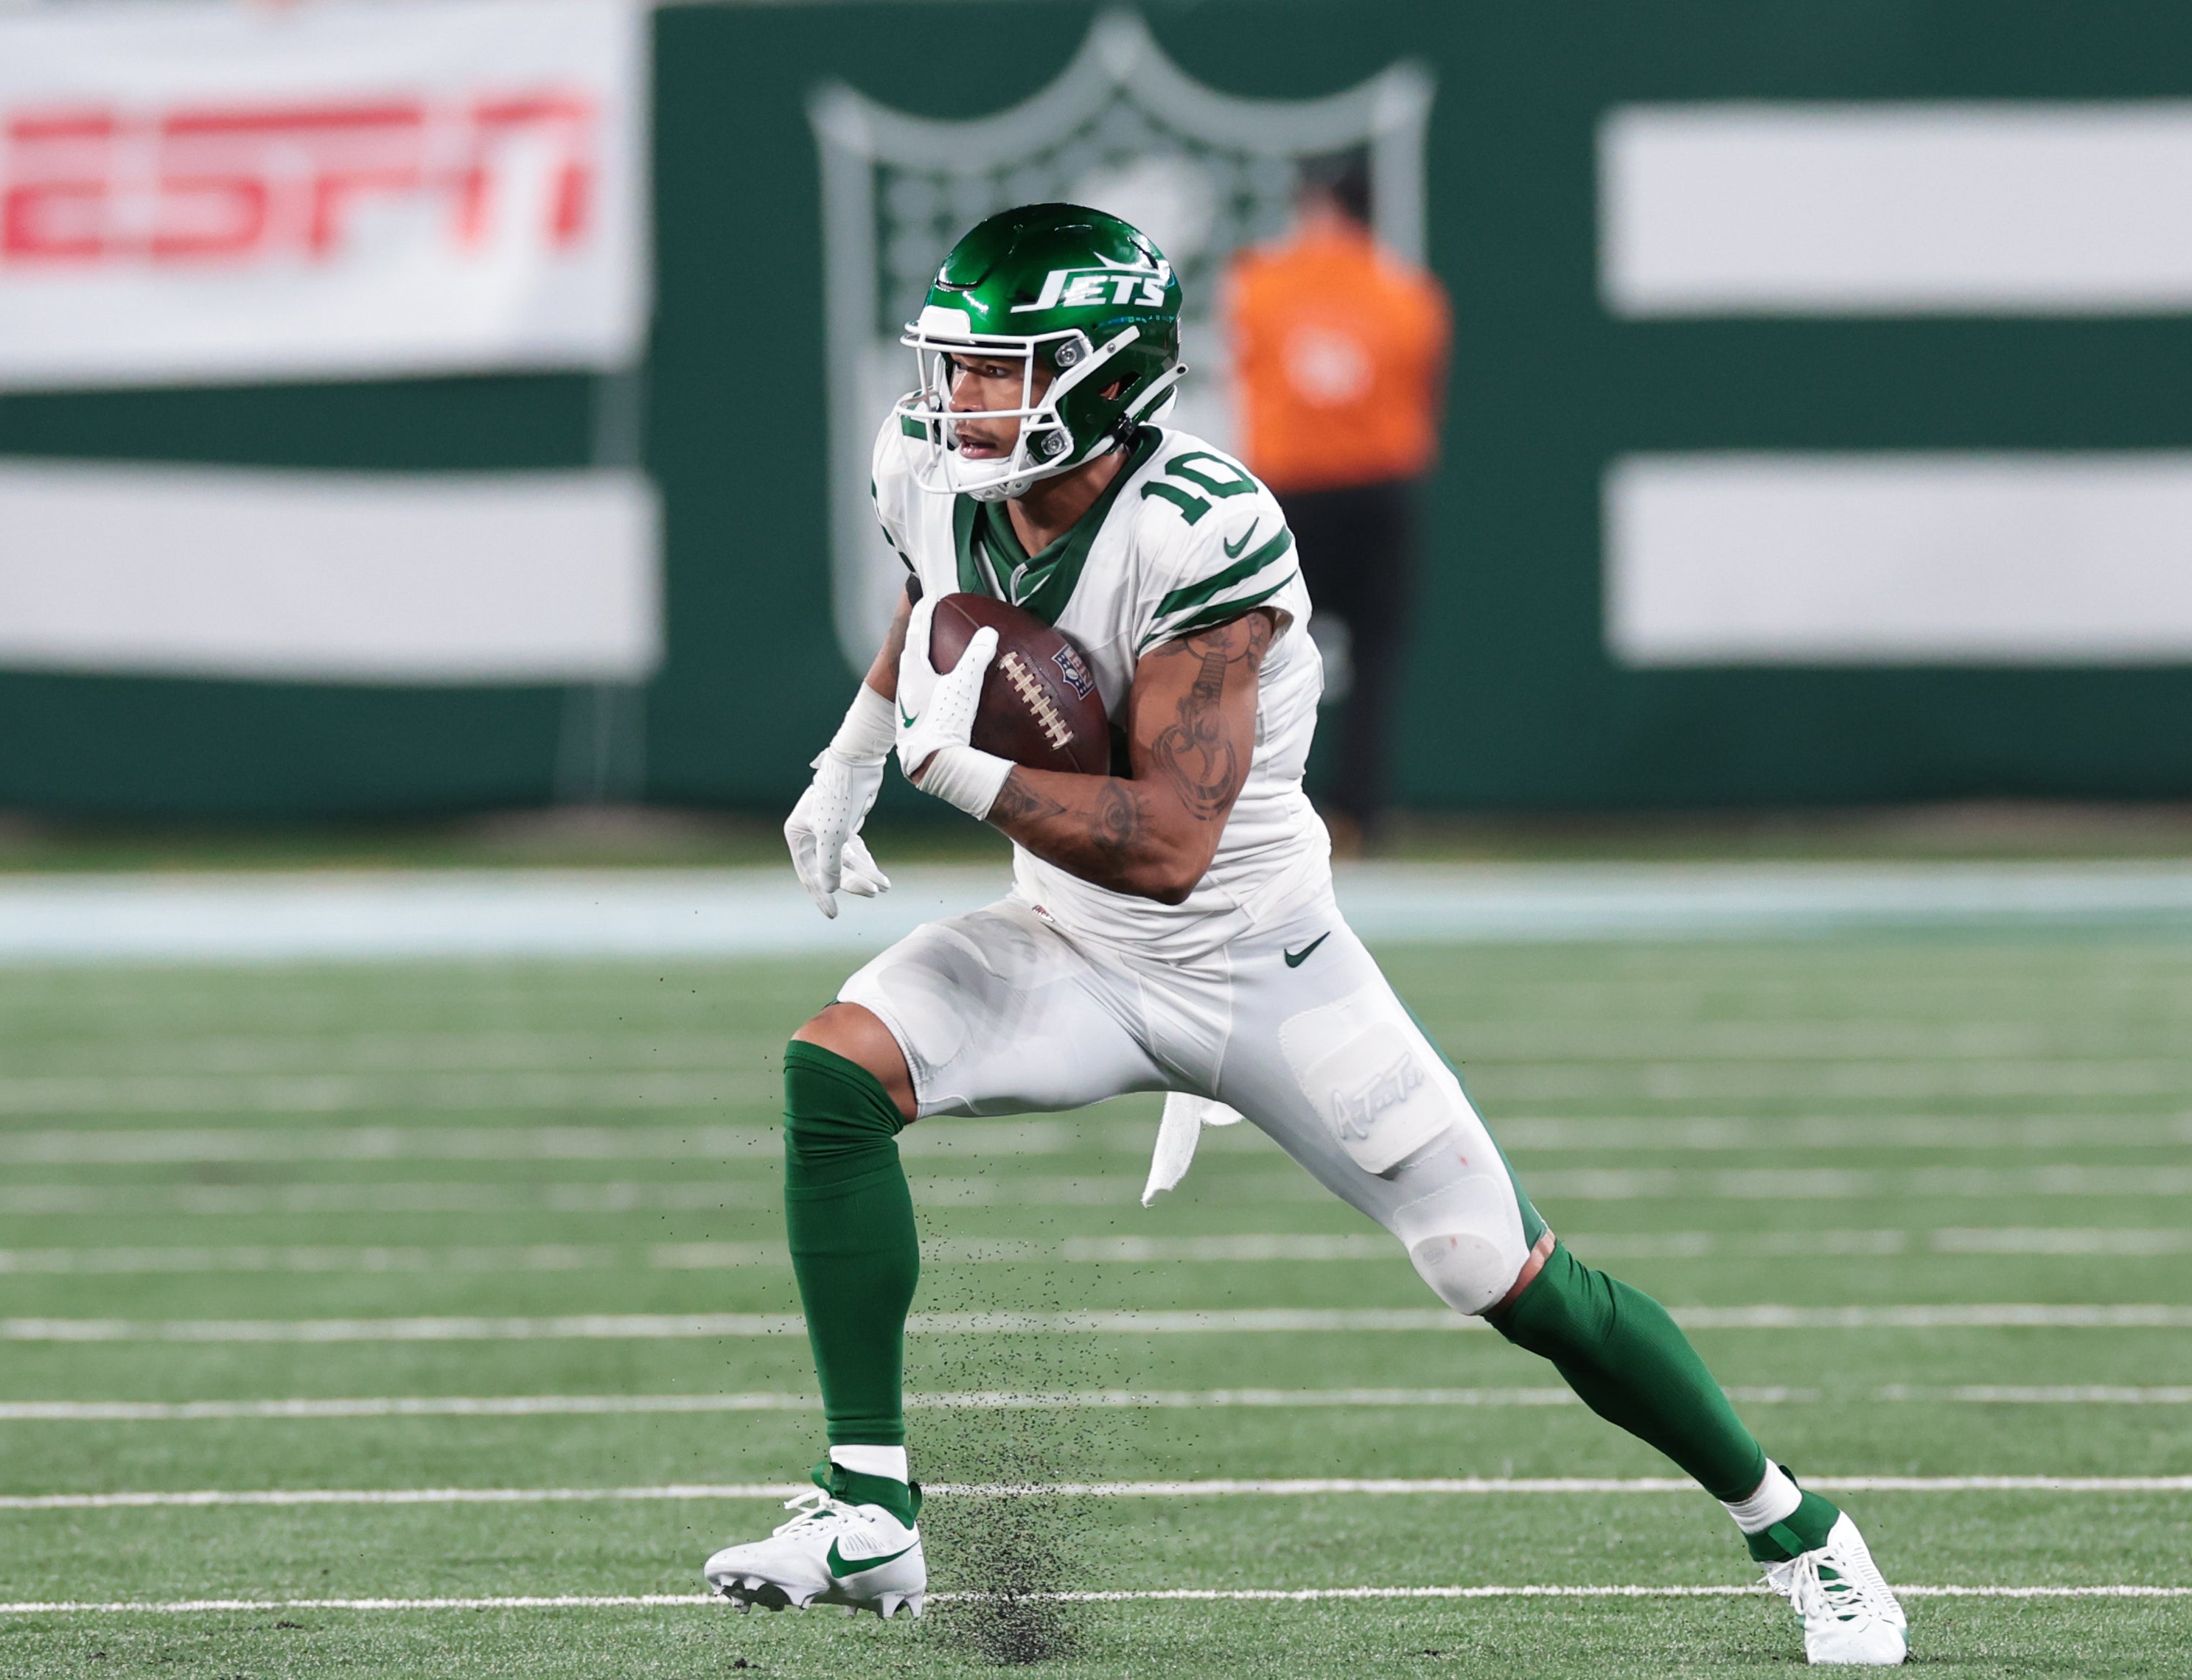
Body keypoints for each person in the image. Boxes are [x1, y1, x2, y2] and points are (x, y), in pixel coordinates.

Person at [702, 203, 1907, 1666]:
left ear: (1105, 378)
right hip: (1065, 944)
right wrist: (852, 753)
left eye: (1001, 370)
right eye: (955, 367)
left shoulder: (1201, 530)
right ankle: (867, 1507)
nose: (960, 401)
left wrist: (954, 770)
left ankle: (1800, 1532)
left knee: (1495, 1267)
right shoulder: (929, 468)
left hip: (1251, 960)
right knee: (832, 1077)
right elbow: (942, 604)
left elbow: (1168, 847)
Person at [1226, 155, 1450, 849]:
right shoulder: (1408, 292)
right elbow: (1420, 392)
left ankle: (1244, 811)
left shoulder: (1259, 282)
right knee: (1374, 658)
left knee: (1250, 655)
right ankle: (1358, 813)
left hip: (1290, 494)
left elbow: (1248, 364)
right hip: (1375, 491)